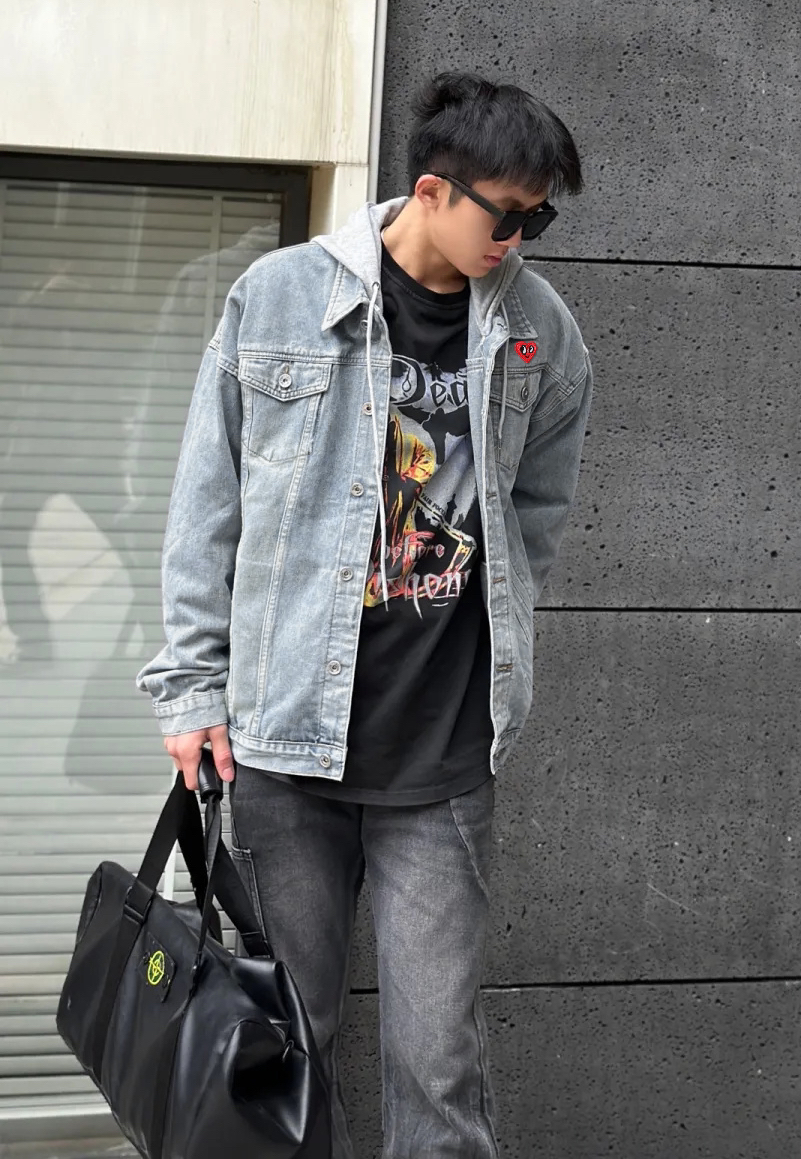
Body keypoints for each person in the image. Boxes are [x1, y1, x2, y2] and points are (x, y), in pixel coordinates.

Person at [136, 71, 593, 1158]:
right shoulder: (280, 296)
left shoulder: (540, 332)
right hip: (287, 747)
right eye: (507, 216)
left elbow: (533, 515)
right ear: (432, 191)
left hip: (441, 760)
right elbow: (207, 506)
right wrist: (191, 689)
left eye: (538, 221)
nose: (520, 241)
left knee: (440, 1063)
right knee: (284, 1047)